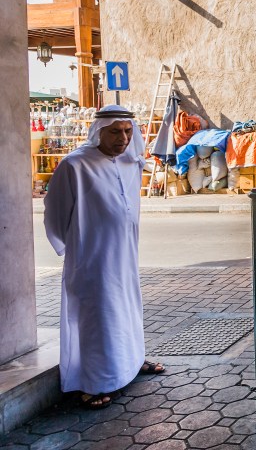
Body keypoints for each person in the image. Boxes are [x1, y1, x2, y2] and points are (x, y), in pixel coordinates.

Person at [43, 105, 165, 409]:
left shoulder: (130, 163)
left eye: (127, 131)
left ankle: (131, 363)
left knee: (126, 307)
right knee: (97, 315)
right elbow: (56, 217)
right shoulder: (75, 166)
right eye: (114, 131)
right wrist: (75, 247)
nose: (122, 138)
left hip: (124, 255)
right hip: (90, 258)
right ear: (99, 131)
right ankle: (93, 382)